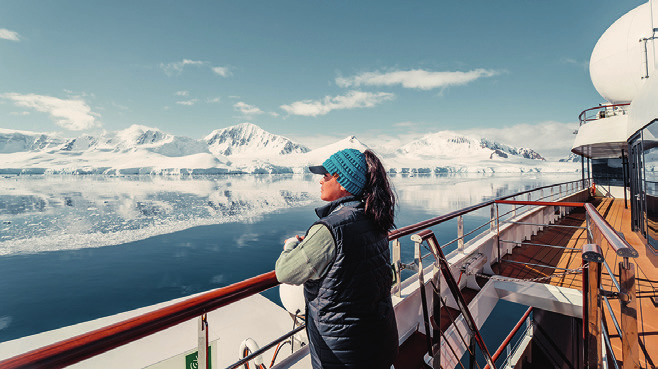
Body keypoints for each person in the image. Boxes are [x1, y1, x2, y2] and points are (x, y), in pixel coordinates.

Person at [275, 148, 399, 369]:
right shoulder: (375, 218)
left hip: (345, 355)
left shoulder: (330, 228)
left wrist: (292, 245)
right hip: (380, 340)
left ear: (342, 183)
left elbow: (284, 271)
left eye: (325, 176)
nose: (320, 182)